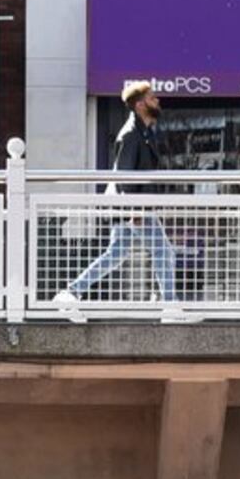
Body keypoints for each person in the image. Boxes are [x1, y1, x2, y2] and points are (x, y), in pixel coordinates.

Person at [54, 81, 197, 321]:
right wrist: (136, 211)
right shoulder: (131, 134)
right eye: (152, 98)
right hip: (133, 207)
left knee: (116, 255)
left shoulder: (142, 132)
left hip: (131, 207)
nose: (158, 101)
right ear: (140, 105)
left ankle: (71, 292)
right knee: (163, 252)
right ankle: (170, 307)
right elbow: (123, 175)